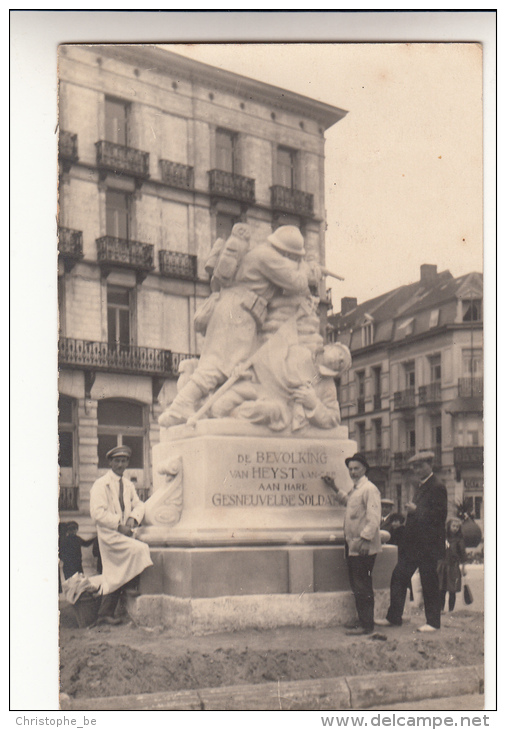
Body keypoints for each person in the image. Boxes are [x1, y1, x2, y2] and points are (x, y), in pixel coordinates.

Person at [158, 225, 313, 427]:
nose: (291, 260)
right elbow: (297, 283)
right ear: (286, 251)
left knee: (231, 367)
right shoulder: (266, 256)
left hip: (232, 309)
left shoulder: (256, 255)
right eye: (293, 256)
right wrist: (306, 268)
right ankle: (181, 405)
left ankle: (202, 406)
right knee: (218, 365)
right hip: (240, 314)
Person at [376, 450, 447, 632]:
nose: (417, 469)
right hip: (415, 545)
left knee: (428, 582)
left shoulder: (437, 486)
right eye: (414, 466)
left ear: (429, 465)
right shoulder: (422, 485)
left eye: (420, 465)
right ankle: (394, 617)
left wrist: (416, 511)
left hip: (428, 545)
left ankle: (433, 623)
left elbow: (440, 516)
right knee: (399, 576)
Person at [90, 445, 153, 626]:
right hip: (109, 535)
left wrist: (133, 518)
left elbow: (139, 504)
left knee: (115, 572)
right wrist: (118, 525)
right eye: (116, 461)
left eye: (124, 461)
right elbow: (97, 513)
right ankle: (130, 585)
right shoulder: (101, 485)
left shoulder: (128, 485)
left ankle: (105, 613)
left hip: (124, 533)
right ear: (110, 462)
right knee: (139, 549)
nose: (120, 464)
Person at [322, 453, 382, 635]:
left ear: (365, 469)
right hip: (353, 544)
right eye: (350, 469)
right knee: (357, 584)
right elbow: (349, 503)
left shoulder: (369, 489)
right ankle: (362, 620)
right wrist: (333, 487)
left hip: (363, 546)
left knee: (363, 584)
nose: (353, 472)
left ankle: (367, 625)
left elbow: (374, 518)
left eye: (356, 468)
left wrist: (365, 539)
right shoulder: (356, 489)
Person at [438, 518, 468, 612]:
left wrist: (463, 568)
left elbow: (463, 554)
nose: (455, 528)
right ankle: (441, 609)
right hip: (443, 566)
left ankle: (451, 610)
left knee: (452, 590)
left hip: (453, 567)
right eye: (453, 526)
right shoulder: (443, 538)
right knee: (441, 589)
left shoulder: (459, 540)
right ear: (449, 526)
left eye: (457, 527)